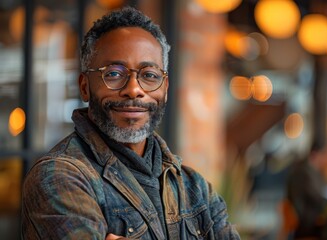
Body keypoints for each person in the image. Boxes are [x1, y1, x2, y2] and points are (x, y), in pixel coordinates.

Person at [21, 7, 240, 240]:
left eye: (149, 75)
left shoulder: (194, 187)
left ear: (165, 89)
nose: (134, 90)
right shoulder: (60, 176)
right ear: (85, 86)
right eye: (114, 74)